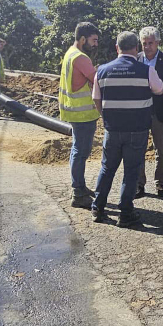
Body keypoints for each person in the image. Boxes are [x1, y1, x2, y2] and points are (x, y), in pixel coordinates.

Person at [91, 31, 163, 227]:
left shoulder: (102, 71)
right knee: (131, 171)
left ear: (117, 48)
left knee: (107, 169)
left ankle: (98, 208)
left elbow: (96, 98)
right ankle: (126, 213)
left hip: (112, 129)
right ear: (137, 48)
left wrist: (106, 116)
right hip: (137, 129)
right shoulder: (145, 71)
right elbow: (159, 89)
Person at [59, 22, 100, 209]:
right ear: (83, 39)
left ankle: (80, 186)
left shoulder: (70, 53)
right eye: (93, 40)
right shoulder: (82, 58)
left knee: (77, 151)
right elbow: (96, 79)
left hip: (73, 111)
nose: (95, 44)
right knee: (80, 152)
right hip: (83, 114)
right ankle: (78, 193)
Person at [135, 27, 163, 200]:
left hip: (159, 112)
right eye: (144, 43)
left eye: (150, 43)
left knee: (161, 149)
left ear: (158, 42)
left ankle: (160, 183)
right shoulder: (136, 59)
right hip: (139, 111)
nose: (147, 47)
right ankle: (139, 184)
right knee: (139, 149)